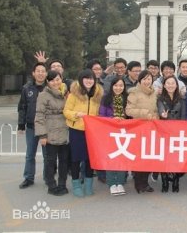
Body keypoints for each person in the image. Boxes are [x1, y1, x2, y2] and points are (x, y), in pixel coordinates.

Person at [63, 69, 104, 197]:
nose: (89, 81)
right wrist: (76, 115)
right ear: (81, 80)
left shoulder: (98, 95)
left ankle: (88, 184)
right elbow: (66, 111)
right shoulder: (73, 94)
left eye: (91, 78)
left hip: (92, 132)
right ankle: (76, 185)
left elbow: (100, 113)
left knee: (90, 159)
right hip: (76, 130)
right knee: (76, 159)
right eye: (86, 78)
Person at [34, 70, 69, 196]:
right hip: (50, 132)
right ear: (48, 82)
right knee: (50, 161)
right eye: (53, 80)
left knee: (64, 161)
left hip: (65, 132)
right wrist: (42, 135)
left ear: (62, 79)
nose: (56, 82)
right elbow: (39, 116)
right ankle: (51, 184)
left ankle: (62, 184)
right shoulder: (43, 95)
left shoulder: (66, 93)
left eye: (58, 79)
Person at [126, 70, 159, 193]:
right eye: (144, 79)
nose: (147, 81)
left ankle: (144, 183)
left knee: (149, 157)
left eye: (149, 79)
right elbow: (128, 110)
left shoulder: (154, 93)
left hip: (152, 129)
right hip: (139, 128)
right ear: (140, 80)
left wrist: (157, 116)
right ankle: (139, 183)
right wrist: (145, 114)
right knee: (140, 157)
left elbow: (156, 109)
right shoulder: (134, 92)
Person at [18, 62, 48, 189]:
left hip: (47, 127)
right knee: (30, 154)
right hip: (31, 126)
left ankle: (48, 177)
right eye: (38, 71)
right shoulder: (27, 88)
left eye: (43, 71)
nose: (41, 73)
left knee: (48, 155)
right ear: (33, 73)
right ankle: (28, 178)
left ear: (46, 73)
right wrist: (21, 125)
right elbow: (22, 107)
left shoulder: (50, 87)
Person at [99, 76, 128, 196]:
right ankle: (112, 183)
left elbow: (131, 114)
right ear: (112, 86)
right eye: (116, 85)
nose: (118, 88)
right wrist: (113, 119)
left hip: (125, 132)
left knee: (122, 157)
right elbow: (101, 116)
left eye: (121, 85)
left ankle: (120, 182)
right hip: (109, 132)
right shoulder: (106, 99)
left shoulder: (127, 98)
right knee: (111, 157)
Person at [157, 75, 186, 193]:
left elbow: (183, 115)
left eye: (173, 83)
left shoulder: (181, 99)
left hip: (178, 132)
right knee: (164, 157)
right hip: (164, 131)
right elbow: (160, 109)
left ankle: (175, 181)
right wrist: (162, 115)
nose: (170, 85)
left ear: (176, 85)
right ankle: (164, 181)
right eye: (168, 83)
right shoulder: (160, 98)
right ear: (164, 85)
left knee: (176, 157)